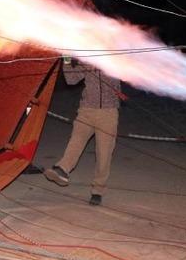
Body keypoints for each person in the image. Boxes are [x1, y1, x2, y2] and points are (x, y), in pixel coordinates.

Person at [44, 57, 125, 206]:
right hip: (86, 110)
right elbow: (71, 80)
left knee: (104, 153)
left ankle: (98, 190)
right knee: (76, 140)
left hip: (108, 113)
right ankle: (62, 169)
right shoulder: (87, 59)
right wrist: (66, 60)